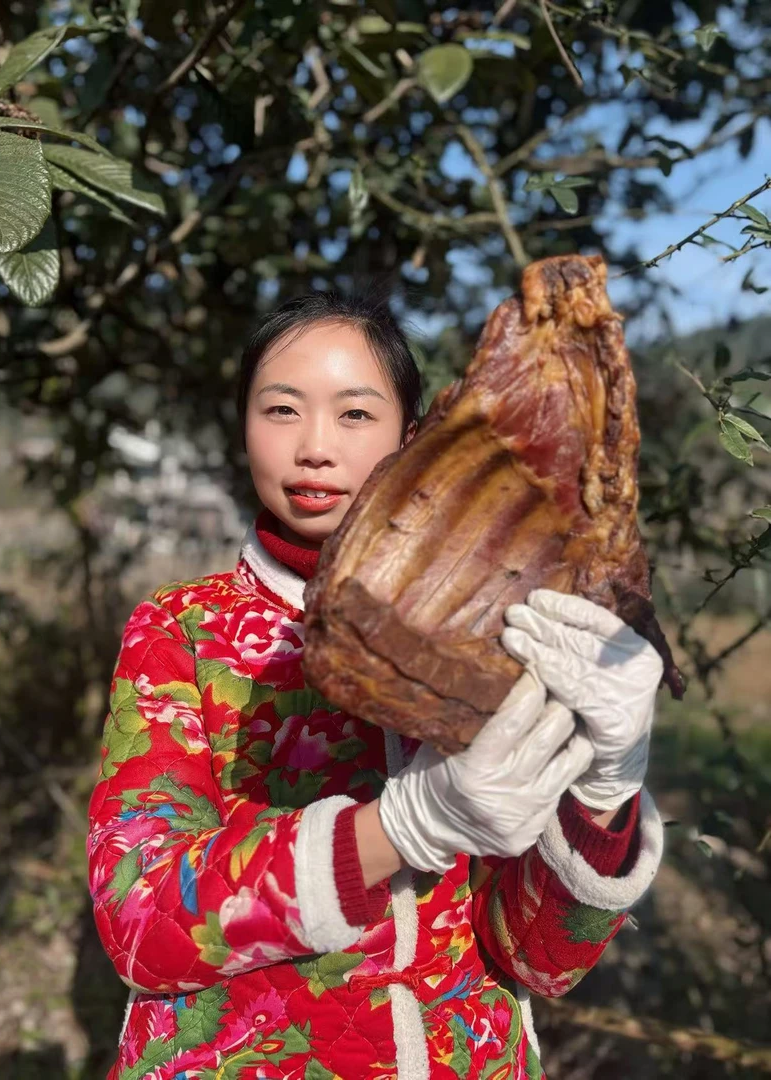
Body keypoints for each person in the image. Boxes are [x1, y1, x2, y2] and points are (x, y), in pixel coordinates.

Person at [87, 289, 665, 1080]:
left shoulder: (501, 631)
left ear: (416, 435)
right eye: (281, 410)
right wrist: (403, 828)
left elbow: (541, 964)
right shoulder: (183, 629)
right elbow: (141, 922)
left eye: (355, 414)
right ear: (244, 426)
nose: (314, 447)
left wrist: (607, 786)